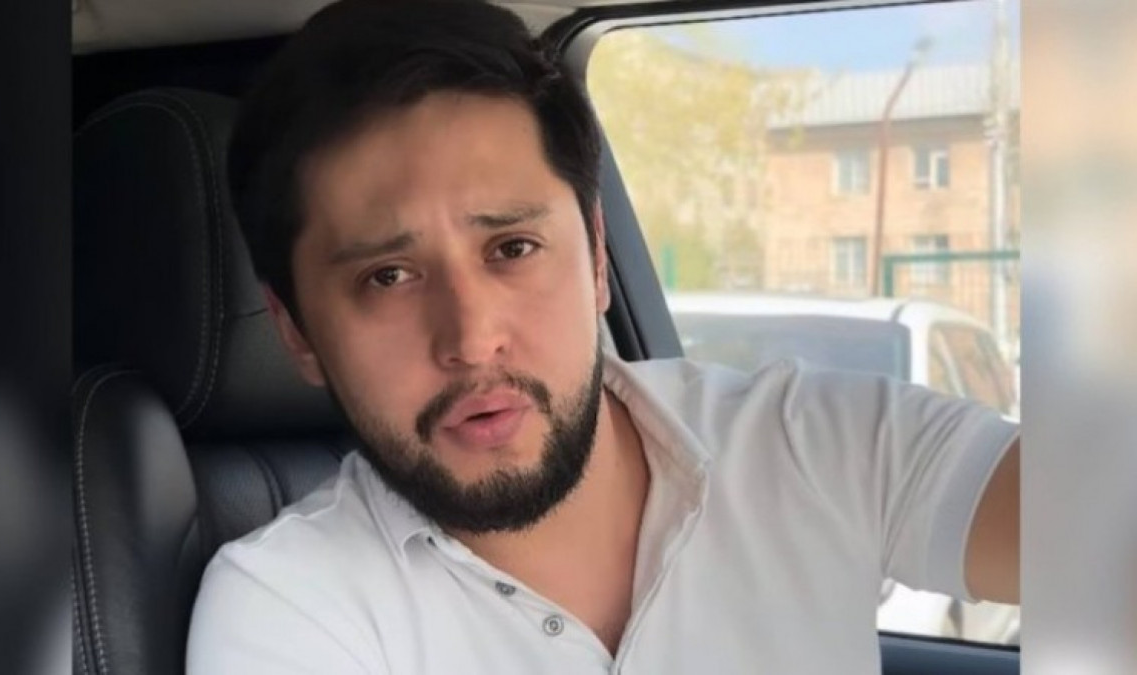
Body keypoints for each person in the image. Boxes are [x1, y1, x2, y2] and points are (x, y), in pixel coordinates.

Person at [186, 0, 1020, 671]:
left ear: (594, 257)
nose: (472, 338)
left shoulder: (817, 446)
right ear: (296, 331)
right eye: (389, 277)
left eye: (513, 248)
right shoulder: (289, 607)